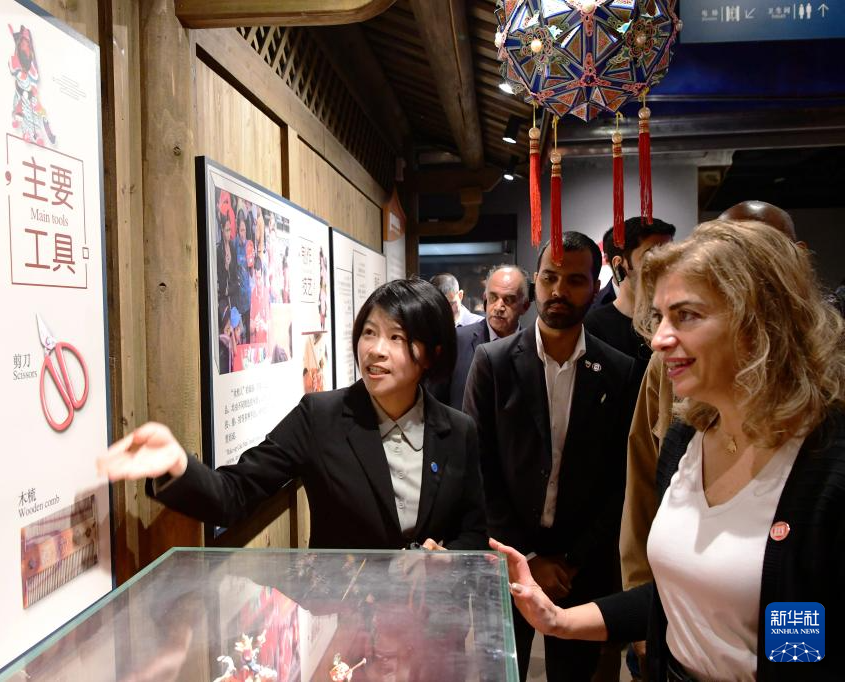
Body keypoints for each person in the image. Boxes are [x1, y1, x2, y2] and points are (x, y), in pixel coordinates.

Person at [493, 219, 845, 682]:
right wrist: (558, 621)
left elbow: (804, 630)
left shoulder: (824, 462)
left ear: (758, 321)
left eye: (687, 316)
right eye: (659, 317)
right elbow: (676, 594)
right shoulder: (686, 438)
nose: (659, 339)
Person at [99, 278, 488, 550]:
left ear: (432, 354)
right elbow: (235, 493)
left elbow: (473, 531)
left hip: (430, 622)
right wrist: (177, 467)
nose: (375, 350)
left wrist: (446, 559)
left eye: (396, 337)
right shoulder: (320, 417)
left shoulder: (458, 431)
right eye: (369, 332)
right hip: (344, 624)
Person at [464, 232, 638, 680]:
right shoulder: (492, 362)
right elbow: (479, 468)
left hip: (581, 564)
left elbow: (620, 478)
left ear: (595, 285)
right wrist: (526, 557)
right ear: (536, 282)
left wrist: (573, 558)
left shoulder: (619, 371)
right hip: (506, 554)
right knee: (499, 672)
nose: (559, 290)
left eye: (575, 280)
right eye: (549, 278)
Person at [584, 217, 676, 382]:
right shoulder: (592, 326)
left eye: (671, 256)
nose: (665, 265)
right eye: (652, 256)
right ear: (620, 264)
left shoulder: (678, 320)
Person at [434, 265, 530, 411]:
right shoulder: (457, 340)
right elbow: (436, 402)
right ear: (485, 298)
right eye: (493, 297)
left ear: (525, 306)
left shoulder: (533, 349)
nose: (498, 307)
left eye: (509, 300)